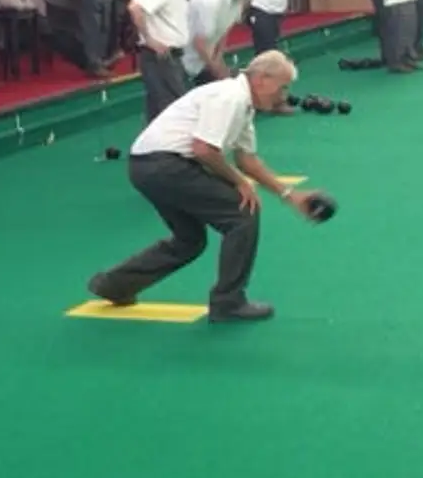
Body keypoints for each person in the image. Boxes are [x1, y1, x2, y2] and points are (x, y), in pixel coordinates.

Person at [86, 50, 321, 324]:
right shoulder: (229, 98)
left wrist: (291, 195)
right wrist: (238, 182)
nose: (284, 95)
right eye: (282, 87)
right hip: (166, 165)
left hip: (147, 166)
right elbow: (204, 150)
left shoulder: (243, 105)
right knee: (242, 214)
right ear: (261, 80)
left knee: (190, 240)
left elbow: (248, 160)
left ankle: (114, 285)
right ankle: (228, 302)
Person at [127, 0, 200, 121]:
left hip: (170, 56)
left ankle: (151, 148)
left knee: (160, 110)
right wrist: (151, 40)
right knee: (173, 109)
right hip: (159, 56)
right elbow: (135, 8)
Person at [181, 0, 251, 86]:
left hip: (206, 57)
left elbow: (225, 29)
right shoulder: (209, 0)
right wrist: (216, 69)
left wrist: (219, 58)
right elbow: (199, 43)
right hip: (185, 60)